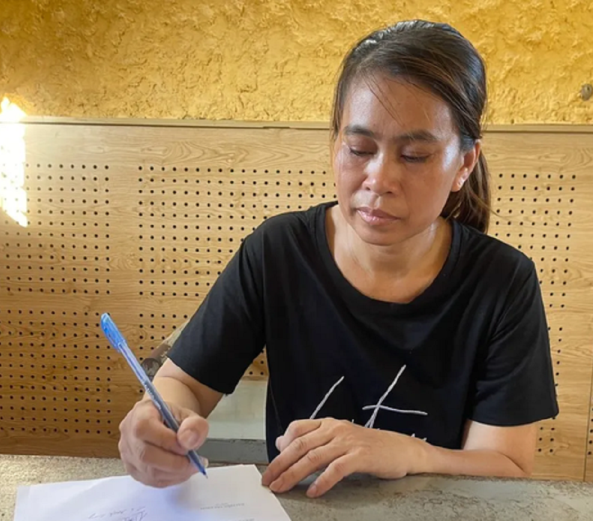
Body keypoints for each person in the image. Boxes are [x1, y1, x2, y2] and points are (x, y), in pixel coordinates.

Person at [117, 19, 559, 498]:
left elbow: (508, 464)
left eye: (414, 155)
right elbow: (183, 385)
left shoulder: (502, 281)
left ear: (464, 164)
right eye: (359, 148)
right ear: (335, 145)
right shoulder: (278, 250)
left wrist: (407, 452)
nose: (379, 178)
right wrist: (155, 423)